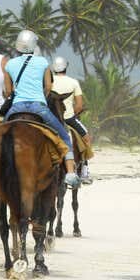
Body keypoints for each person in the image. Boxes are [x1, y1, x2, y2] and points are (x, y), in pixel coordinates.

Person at [3, 30, 79, 188]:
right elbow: (48, 87)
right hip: (38, 107)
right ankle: (71, 173)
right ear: (33, 45)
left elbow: (8, 91)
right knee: (64, 136)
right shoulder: (43, 62)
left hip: (16, 107)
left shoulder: (10, 64)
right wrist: (41, 97)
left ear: (18, 45)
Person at [51, 56, 92, 184]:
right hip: (68, 119)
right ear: (66, 67)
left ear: (53, 68)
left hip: (51, 118)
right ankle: (84, 171)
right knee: (86, 138)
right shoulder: (73, 82)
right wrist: (72, 112)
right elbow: (79, 106)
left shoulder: (49, 81)